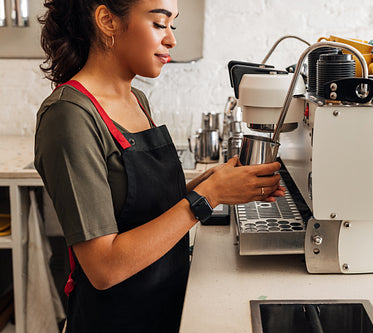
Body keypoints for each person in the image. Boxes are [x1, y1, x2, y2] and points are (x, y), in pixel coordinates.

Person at [34, 0, 284, 331]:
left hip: (165, 305)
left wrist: (217, 182)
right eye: (158, 24)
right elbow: (104, 267)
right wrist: (208, 196)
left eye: (173, 26)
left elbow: (141, 209)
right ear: (107, 20)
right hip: (117, 320)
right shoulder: (70, 115)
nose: (171, 40)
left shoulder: (137, 99)